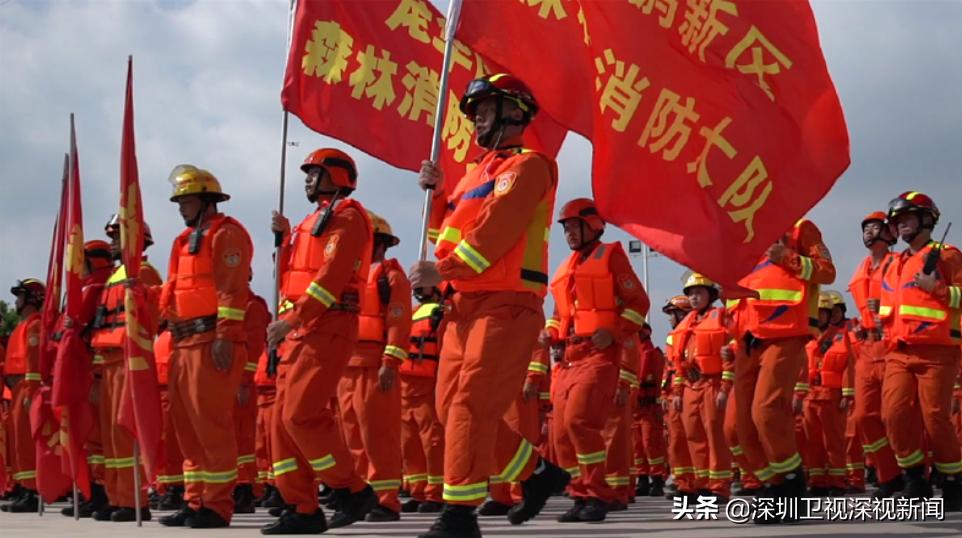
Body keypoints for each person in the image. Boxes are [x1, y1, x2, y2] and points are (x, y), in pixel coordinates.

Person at [410, 73, 569, 538]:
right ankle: (537, 475)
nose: (477, 117)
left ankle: (458, 515)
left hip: (508, 303)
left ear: (513, 112)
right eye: (475, 110)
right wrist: (439, 197)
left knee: (468, 406)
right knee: (450, 408)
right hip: (464, 305)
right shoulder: (474, 175)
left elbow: (495, 233)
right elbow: (447, 237)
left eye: (485, 108)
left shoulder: (530, 165)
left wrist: (444, 272)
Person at [263, 148, 378, 534]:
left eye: (317, 172)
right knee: (281, 424)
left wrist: (294, 319)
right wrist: (283, 241)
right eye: (308, 173)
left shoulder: (348, 217)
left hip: (328, 323)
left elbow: (331, 276)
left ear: (339, 177)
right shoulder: (308, 223)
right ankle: (303, 508)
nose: (309, 179)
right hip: (300, 328)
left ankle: (351, 488)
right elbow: (292, 278)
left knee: (301, 414)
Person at [158, 165, 253, 529]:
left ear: (207, 200)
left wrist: (225, 336)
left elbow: (232, 288)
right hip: (184, 342)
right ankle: (194, 500)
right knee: (187, 429)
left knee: (211, 426)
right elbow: (172, 292)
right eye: (179, 200)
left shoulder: (226, 234)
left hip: (211, 339)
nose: (181, 206)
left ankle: (217, 505)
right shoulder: (182, 242)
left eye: (187, 199)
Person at [544, 198, 650, 523]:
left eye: (574, 227)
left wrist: (615, 331)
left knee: (579, 420)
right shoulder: (568, 268)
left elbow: (638, 302)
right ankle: (579, 494)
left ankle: (597, 494)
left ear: (592, 226)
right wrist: (549, 334)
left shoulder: (612, 256)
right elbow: (559, 313)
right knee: (560, 432)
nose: (569, 235)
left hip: (599, 354)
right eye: (565, 229)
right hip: (569, 357)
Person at [729, 218, 835, 522]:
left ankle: (790, 486)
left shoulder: (803, 229)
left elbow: (827, 272)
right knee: (736, 426)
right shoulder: (745, 231)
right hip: (748, 339)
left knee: (766, 411)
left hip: (786, 333)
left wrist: (787, 258)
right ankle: (771, 484)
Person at [879, 191, 962, 509]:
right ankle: (915, 478)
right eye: (898, 221)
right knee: (894, 415)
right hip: (898, 352)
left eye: (908, 219)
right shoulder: (896, 262)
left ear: (928, 220)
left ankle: (954, 480)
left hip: (937, 352)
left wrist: (937, 288)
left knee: (935, 418)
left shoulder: (947, 255)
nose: (902, 226)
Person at [337, 210, 412, 523]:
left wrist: (390, 361)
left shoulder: (390, 277)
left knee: (377, 434)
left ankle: (386, 500)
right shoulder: (350, 276)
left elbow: (398, 320)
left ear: (377, 242)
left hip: (375, 364)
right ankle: (362, 496)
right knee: (351, 434)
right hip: (347, 366)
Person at [89, 215, 164, 521]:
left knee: (125, 431)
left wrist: (139, 295)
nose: (112, 242)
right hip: (109, 362)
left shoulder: (142, 272)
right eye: (111, 236)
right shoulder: (114, 276)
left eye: (118, 236)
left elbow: (155, 316)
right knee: (110, 436)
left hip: (129, 359)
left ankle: (135, 501)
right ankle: (118, 497)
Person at [848, 211, 903, 498]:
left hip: (893, 344)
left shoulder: (898, 263)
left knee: (897, 415)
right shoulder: (863, 267)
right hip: (868, 349)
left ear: (889, 233)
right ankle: (888, 474)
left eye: (875, 227)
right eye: (866, 228)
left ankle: (913, 471)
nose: (869, 232)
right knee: (863, 417)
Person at [670, 273, 733, 502]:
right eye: (691, 294)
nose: (694, 298)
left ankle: (719, 487)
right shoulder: (685, 325)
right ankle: (701, 484)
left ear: (711, 294)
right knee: (693, 436)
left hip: (712, 383)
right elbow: (677, 363)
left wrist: (725, 388)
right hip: (690, 386)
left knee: (715, 436)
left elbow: (730, 354)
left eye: (699, 293)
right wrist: (677, 393)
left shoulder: (722, 317)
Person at [800, 291, 855, 497]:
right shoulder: (807, 338)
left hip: (832, 396)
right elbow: (800, 369)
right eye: (817, 312)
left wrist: (847, 394)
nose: (820, 316)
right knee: (812, 441)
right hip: (810, 396)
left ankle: (837, 481)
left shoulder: (842, 337)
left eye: (824, 312)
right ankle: (817, 481)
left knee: (834, 441)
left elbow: (850, 366)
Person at [400, 285, 447, 514]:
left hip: (429, 383)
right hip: (405, 384)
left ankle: (435, 492)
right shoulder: (411, 312)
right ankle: (418, 491)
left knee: (433, 441)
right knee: (410, 443)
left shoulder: (442, 314)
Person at [0, 279, 44, 513]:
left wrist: (32, 391)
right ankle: (23, 487)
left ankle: (32, 491)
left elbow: (34, 360)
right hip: (16, 387)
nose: (16, 301)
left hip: (27, 385)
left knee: (26, 442)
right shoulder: (22, 324)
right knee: (18, 441)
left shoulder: (35, 324)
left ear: (31, 299)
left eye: (20, 296)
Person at [632, 324, 667, 498]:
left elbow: (652, 378)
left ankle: (657, 479)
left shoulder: (651, 353)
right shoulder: (631, 351)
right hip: (635, 407)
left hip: (649, 406)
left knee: (650, 444)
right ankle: (643, 479)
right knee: (637, 446)